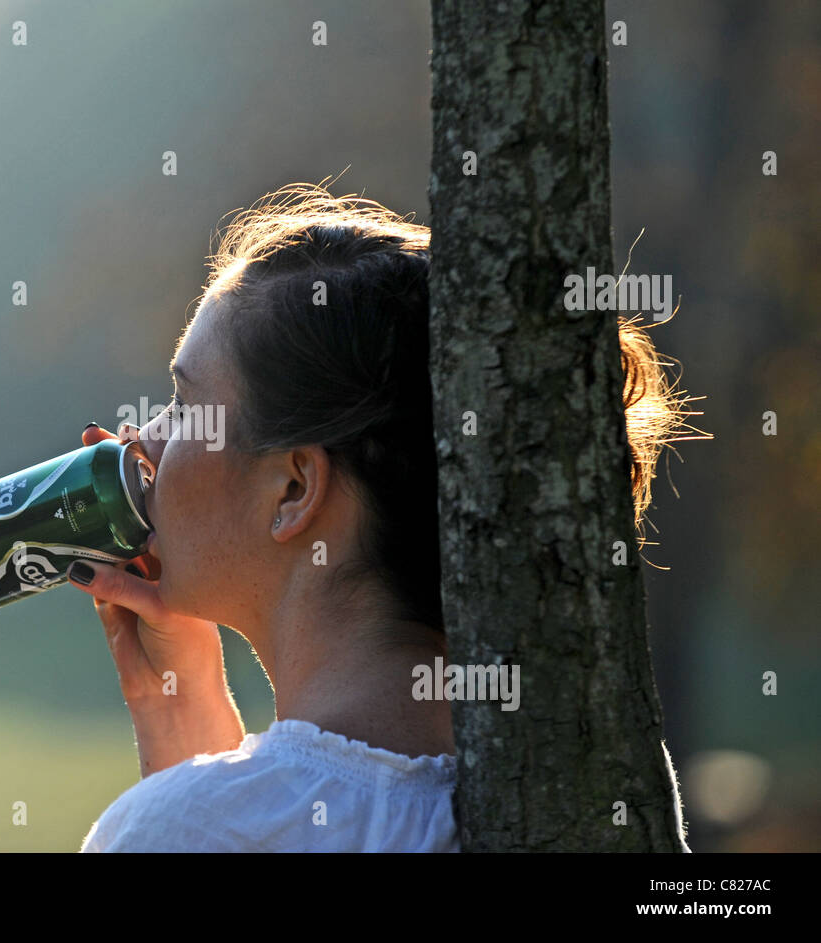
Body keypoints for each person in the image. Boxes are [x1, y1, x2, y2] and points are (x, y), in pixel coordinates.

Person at [68, 182, 685, 852]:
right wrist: (182, 712)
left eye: (185, 405)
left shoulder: (175, 831)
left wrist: (185, 793)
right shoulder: (597, 789)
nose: (141, 438)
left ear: (294, 488)